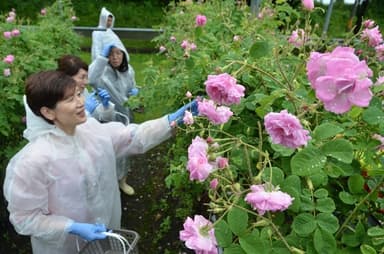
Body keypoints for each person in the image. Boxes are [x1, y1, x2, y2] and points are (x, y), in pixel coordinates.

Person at [3, 70, 198, 254]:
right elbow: (25, 218)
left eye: (79, 94)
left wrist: (169, 122)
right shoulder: (32, 161)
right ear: (48, 112)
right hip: (64, 247)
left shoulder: (91, 130)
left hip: (106, 234)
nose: (80, 102)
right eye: (70, 99)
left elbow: (131, 138)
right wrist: (71, 227)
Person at [57, 54, 135, 195]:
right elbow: (71, 128)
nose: (86, 82)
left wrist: (105, 107)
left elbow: (101, 116)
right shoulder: (57, 98)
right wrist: (88, 112)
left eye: (86, 77)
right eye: (82, 77)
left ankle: (120, 182)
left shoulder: (83, 92)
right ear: (67, 77)